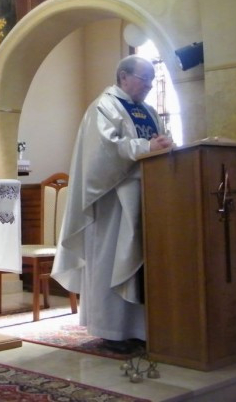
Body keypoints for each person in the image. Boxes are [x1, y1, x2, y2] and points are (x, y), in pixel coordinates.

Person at [52, 55, 172, 353]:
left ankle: (141, 329)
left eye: (151, 80)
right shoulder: (104, 107)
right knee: (113, 261)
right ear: (124, 76)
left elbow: (158, 139)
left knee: (141, 263)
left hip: (149, 196)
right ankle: (112, 330)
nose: (149, 85)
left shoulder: (147, 111)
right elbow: (103, 151)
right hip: (112, 203)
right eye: (145, 79)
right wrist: (146, 147)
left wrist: (164, 144)